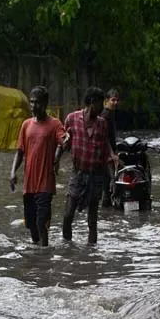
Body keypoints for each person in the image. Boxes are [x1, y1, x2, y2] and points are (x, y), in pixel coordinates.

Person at [56, 87, 114, 245]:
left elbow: (105, 150)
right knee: (68, 215)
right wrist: (56, 160)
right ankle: (67, 247)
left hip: (96, 174)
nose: (102, 107)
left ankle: (91, 254)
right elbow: (63, 141)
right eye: (100, 103)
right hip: (78, 173)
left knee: (92, 220)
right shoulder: (72, 119)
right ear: (92, 103)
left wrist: (112, 177)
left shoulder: (102, 124)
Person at [10, 86, 65, 247]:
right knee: (31, 225)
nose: (33, 106)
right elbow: (20, 151)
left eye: (37, 103)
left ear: (46, 103)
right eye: (32, 102)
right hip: (29, 186)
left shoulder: (55, 124)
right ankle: (37, 257)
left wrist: (60, 151)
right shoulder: (26, 125)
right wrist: (12, 172)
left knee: (42, 224)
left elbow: (63, 140)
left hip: (45, 184)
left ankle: (45, 257)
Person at [100, 88, 120, 207]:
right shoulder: (105, 115)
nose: (115, 103)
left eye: (117, 100)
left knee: (108, 184)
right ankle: (106, 210)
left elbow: (111, 137)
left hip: (109, 153)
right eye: (113, 100)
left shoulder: (110, 114)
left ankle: (107, 213)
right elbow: (105, 137)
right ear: (106, 101)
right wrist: (112, 154)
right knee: (111, 182)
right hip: (106, 155)